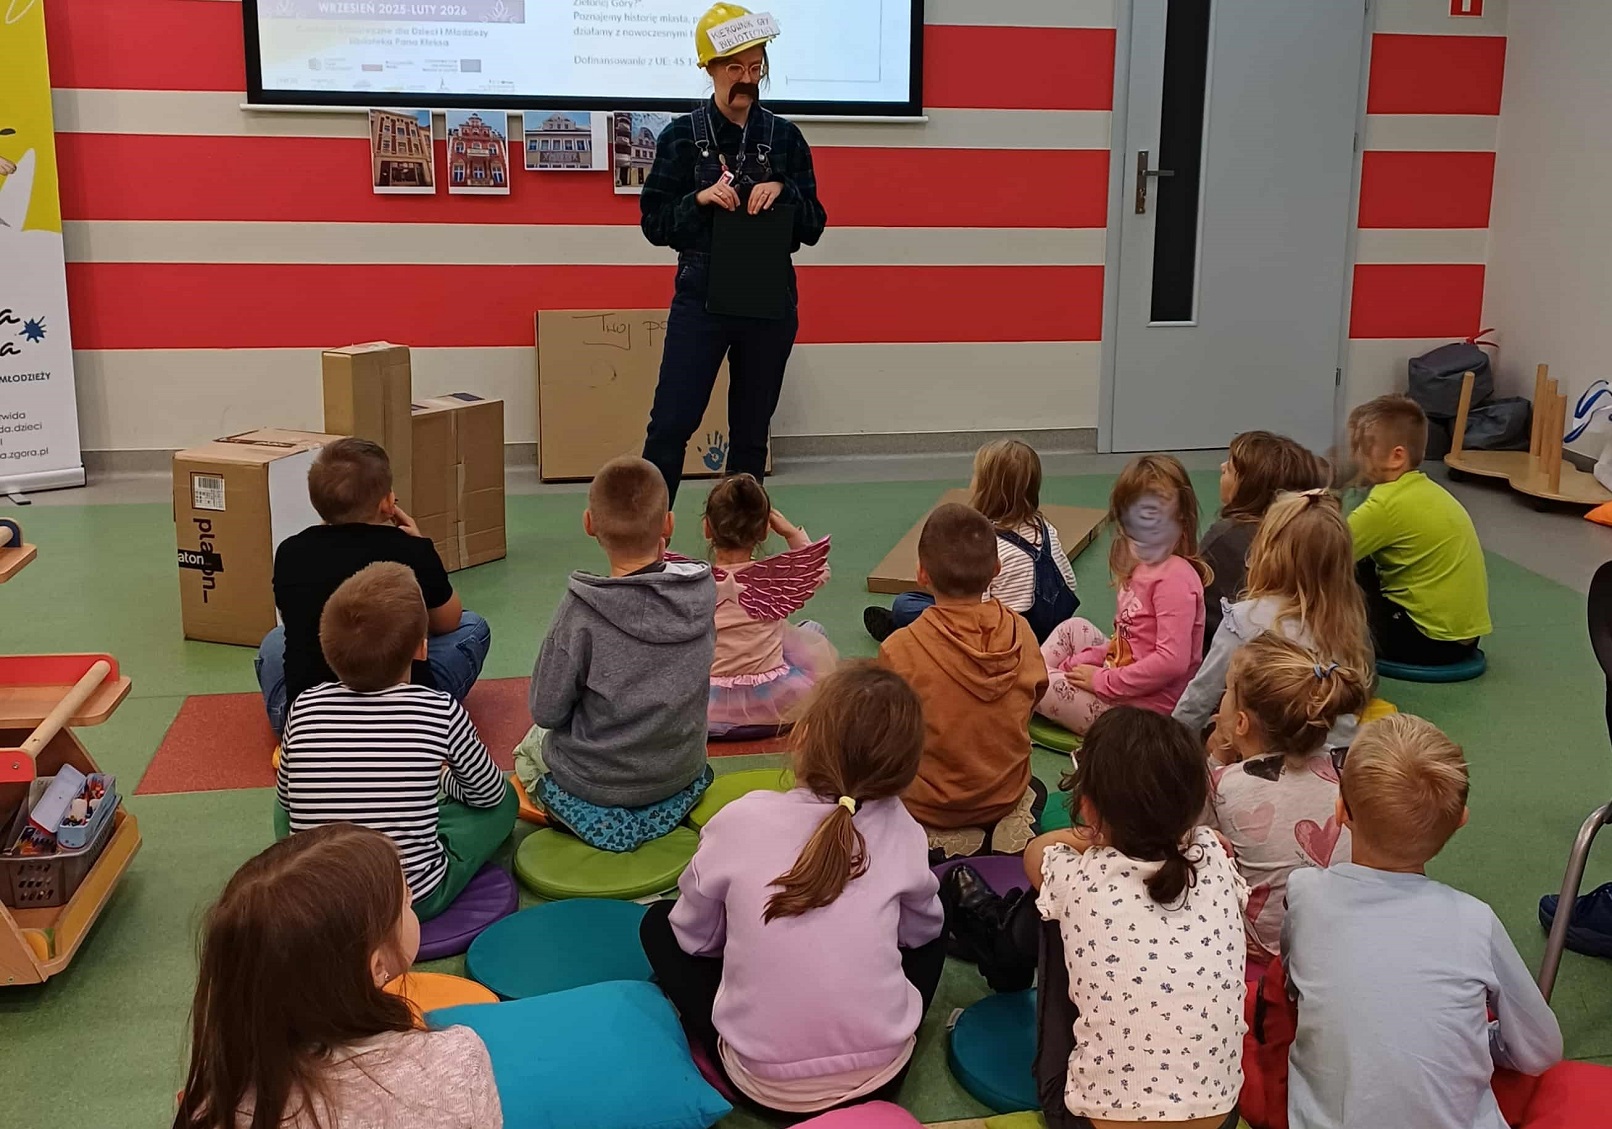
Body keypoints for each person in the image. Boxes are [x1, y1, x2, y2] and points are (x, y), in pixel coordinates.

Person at [639, 664, 946, 1116]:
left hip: (764, 1088)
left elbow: (694, 939)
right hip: (882, 1075)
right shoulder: (905, 829)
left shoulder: (740, 819)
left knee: (656, 925)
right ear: (905, 769)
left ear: (800, 738)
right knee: (935, 921)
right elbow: (921, 935)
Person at [1283, 714, 1561, 1129]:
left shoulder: (1305, 893)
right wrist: (1481, 1040)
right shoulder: (1474, 921)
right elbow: (1540, 1050)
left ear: (1340, 811)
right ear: (1461, 819)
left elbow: (1293, 987)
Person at [173, 824, 503, 1129]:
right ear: (377, 968)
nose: (412, 901)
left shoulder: (216, 1104)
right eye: (406, 900)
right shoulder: (456, 1058)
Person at [638, 4, 828, 504]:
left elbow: (814, 225)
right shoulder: (679, 137)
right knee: (671, 423)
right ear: (710, 68)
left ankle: (739, 539)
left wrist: (784, 191)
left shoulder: (786, 138)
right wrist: (698, 200)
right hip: (700, 295)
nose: (747, 79)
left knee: (751, 434)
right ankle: (649, 535)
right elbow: (654, 224)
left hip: (768, 295)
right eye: (735, 68)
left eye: (756, 67)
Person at [1025, 708, 1246, 1129]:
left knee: (1051, 912)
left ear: (1088, 808)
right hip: (1220, 1118)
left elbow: (1035, 853)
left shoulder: (1081, 876)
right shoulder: (1214, 857)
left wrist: (1089, 837)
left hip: (1088, 1121)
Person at [275, 563, 516, 921]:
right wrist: (441, 779)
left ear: (327, 650)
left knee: (283, 805)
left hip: (319, 894)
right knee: (504, 800)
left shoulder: (304, 705)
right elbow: (488, 794)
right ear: (422, 648)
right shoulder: (439, 709)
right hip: (410, 897)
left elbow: (285, 801)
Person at [521, 456, 717, 851]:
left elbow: (547, 711)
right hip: (681, 773)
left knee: (529, 749)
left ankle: (595, 818)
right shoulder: (701, 594)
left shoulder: (579, 612)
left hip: (596, 784)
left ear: (588, 523)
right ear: (668, 525)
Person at [257, 437, 489, 736]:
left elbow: (293, 616)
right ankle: (423, 711)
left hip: (306, 724)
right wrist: (422, 549)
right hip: (403, 722)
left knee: (275, 641)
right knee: (473, 626)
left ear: (317, 503)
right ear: (387, 504)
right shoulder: (411, 550)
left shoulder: (291, 552)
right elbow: (448, 621)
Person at [877, 503, 1048, 857]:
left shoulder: (898, 649)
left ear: (921, 574)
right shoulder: (1021, 631)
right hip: (1005, 792)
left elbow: (890, 738)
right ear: (996, 569)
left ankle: (944, 837)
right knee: (1035, 785)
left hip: (934, 806)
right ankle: (1007, 823)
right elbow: (1033, 701)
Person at [1206, 634, 1368, 960]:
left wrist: (1215, 760)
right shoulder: (1343, 768)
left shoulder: (1222, 784)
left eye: (1227, 692)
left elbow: (1198, 842)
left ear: (1240, 723)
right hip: (1346, 932)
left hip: (1267, 949)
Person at [1173, 489, 1373, 751]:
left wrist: (1167, 746)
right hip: (1336, 757)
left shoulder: (1246, 620)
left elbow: (1199, 699)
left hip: (1266, 757)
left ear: (1268, 554)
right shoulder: (1348, 622)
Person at [1037, 455, 1209, 736]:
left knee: (1038, 684)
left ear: (1179, 520)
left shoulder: (1175, 578)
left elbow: (1171, 662)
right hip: (1123, 679)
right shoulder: (1143, 566)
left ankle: (1025, 686)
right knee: (1074, 628)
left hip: (1142, 715)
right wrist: (1089, 662)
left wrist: (1102, 680)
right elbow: (1129, 643)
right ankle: (1033, 678)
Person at [864, 439, 1080, 643]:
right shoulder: (1046, 529)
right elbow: (1069, 582)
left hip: (1004, 637)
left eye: (975, 475)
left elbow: (978, 608)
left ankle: (910, 632)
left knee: (906, 605)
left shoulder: (991, 545)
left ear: (986, 489)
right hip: (1052, 629)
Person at [1347, 395, 1491, 666]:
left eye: (1362, 448)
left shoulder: (1386, 504)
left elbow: (1322, 553)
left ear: (1396, 457)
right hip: (1462, 638)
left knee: (1337, 570)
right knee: (1361, 562)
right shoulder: (1427, 491)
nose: (1355, 457)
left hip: (1425, 641)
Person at [697, 473, 836, 738]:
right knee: (812, 630)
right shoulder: (774, 578)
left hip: (708, 710)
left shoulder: (692, 582)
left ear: (707, 529)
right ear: (764, 530)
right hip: (776, 706)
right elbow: (820, 570)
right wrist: (791, 532)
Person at [1200, 431, 1328, 640]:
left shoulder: (1226, 537)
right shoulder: (1313, 537)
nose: (1222, 467)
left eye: (1231, 468)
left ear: (1250, 486)